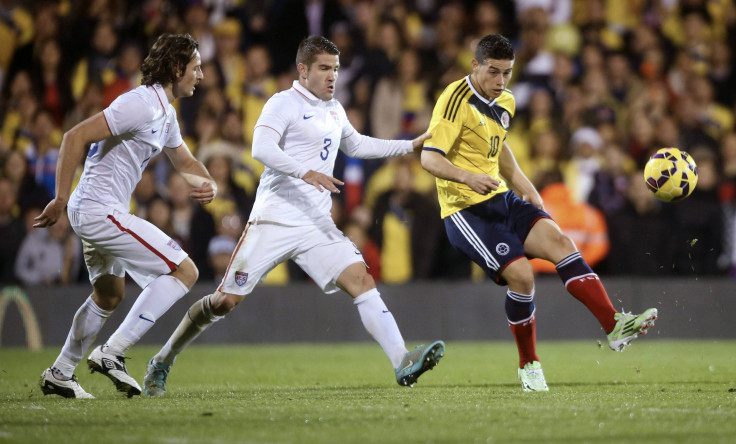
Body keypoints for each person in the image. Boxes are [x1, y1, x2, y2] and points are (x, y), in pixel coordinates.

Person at [143, 36, 444, 397]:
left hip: (316, 225)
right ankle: (163, 359)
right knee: (224, 301)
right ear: (303, 70)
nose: (332, 75)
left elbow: (359, 144)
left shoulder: (334, 108)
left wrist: (409, 144)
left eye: (335, 68)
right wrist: (305, 172)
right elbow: (261, 148)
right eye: (324, 68)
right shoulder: (282, 103)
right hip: (274, 219)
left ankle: (401, 360)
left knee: (361, 281)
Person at [419, 34, 658, 392]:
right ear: (475, 66)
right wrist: (468, 176)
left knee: (561, 242)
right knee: (523, 277)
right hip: (465, 212)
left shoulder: (506, 100)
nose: (500, 81)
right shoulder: (454, 101)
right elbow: (429, 156)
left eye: (507, 73)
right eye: (493, 72)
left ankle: (614, 326)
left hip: (501, 198)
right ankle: (529, 364)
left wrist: (523, 183)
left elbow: (498, 147)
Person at [35, 34, 216, 399]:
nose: (200, 75)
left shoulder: (165, 113)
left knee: (108, 294)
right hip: (99, 209)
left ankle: (61, 372)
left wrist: (205, 181)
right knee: (185, 271)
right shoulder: (140, 103)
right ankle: (113, 353)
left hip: (97, 210)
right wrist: (60, 197)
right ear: (177, 68)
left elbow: (183, 159)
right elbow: (74, 136)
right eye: (195, 68)